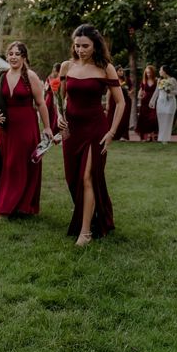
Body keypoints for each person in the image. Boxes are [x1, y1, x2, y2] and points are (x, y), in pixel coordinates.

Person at [57, 24, 124, 246]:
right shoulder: (67, 66)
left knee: (88, 177)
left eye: (85, 46)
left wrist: (112, 132)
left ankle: (85, 232)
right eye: (77, 46)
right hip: (72, 130)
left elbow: (120, 102)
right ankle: (98, 216)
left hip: (96, 128)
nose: (80, 50)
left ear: (95, 45)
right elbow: (61, 99)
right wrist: (59, 117)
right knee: (72, 178)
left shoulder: (106, 68)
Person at [0, 42, 53, 219]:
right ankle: (8, 205)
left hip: (26, 126)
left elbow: (40, 104)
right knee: (9, 165)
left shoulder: (29, 76)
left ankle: (19, 207)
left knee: (23, 165)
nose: (13, 57)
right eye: (10, 54)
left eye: (17, 54)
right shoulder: (0, 76)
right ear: (7, 57)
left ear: (24, 57)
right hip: (6, 128)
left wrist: (47, 127)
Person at [149, 65, 177, 143]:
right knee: (161, 120)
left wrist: (169, 92)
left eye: (160, 70)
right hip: (160, 102)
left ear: (164, 71)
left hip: (170, 102)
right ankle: (161, 138)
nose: (159, 71)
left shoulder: (173, 80)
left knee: (168, 120)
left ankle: (166, 139)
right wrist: (152, 101)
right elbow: (156, 92)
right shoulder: (159, 80)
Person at [106, 65, 132, 140]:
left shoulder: (126, 80)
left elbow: (131, 89)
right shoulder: (113, 79)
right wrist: (107, 103)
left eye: (122, 71)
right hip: (114, 101)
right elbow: (109, 92)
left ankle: (123, 136)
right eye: (119, 71)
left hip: (126, 101)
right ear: (115, 71)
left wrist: (129, 92)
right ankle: (113, 135)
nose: (121, 72)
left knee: (124, 118)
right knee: (113, 117)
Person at [135, 65, 158, 141]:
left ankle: (153, 135)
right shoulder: (143, 82)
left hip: (153, 102)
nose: (148, 74)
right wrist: (140, 96)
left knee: (152, 118)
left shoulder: (156, 81)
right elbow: (139, 94)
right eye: (147, 73)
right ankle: (146, 137)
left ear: (153, 72)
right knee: (144, 119)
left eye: (150, 72)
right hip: (144, 102)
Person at [44, 63, 61, 135]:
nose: (53, 71)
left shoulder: (60, 77)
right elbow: (45, 88)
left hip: (57, 96)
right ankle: (48, 128)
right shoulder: (49, 77)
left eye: (55, 69)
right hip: (49, 96)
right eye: (53, 69)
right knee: (48, 112)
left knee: (55, 113)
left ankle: (55, 129)